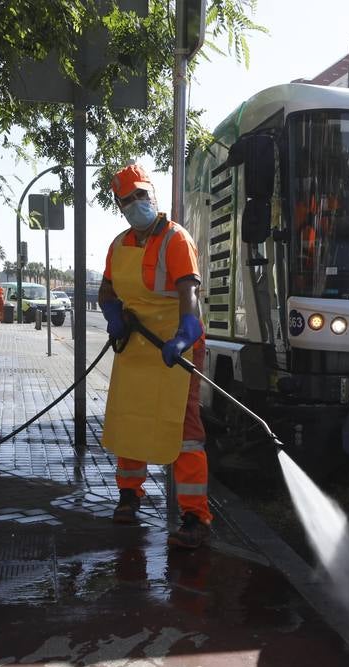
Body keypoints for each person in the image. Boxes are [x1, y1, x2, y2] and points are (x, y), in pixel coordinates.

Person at [97, 164, 211, 550]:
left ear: (152, 195)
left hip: (174, 344)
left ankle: (195, 514)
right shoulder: (119, 245)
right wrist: (114, 316)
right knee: (130, 420)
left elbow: (188, 292)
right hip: (135, 346)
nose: (134, 205)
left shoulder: (176, 239)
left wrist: (186, 334)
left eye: (139, 197)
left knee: (183, 429)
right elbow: (107, 289)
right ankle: (130, 495)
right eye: (126, 201)